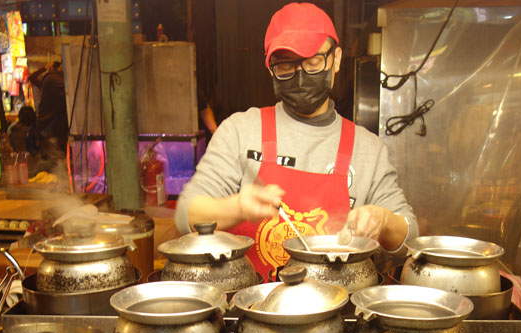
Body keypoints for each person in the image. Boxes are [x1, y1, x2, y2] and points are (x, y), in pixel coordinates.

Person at [174, 3, 417, 279]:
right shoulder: (240, 132)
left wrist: (383, 221)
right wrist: (238, 207)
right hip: (248, 311)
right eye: (286, 67)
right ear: (269, 68)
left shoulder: (367, 149)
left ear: (336, 60)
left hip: (337, 313)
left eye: (313, 63)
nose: (301, 77)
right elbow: (186, 214)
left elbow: (408, 238)